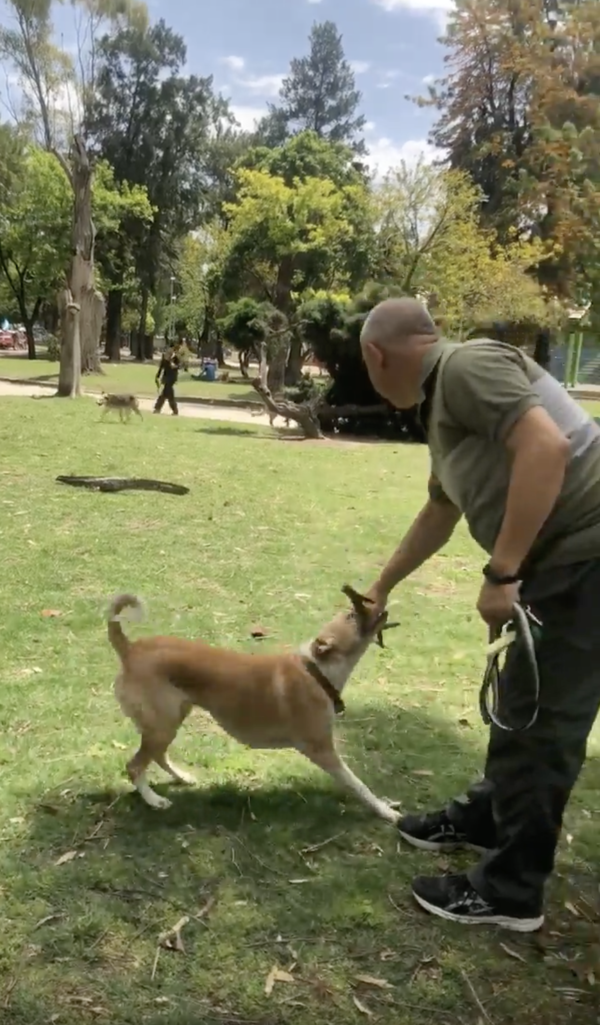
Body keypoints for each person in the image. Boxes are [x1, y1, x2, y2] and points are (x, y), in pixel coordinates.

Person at [360, 297, 600, 933]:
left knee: (545, 728)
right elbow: (440, 511)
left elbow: (545, 451)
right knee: (523, 705)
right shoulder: (445, 405)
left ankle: (512, 890)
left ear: (374, 356)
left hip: (587, 559)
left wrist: (503, 572)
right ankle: (491, 814)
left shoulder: (466, 367)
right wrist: (382, 586)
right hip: (558, 569)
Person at [154, 341, 182, 415]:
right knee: (166, 393)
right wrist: (157, 376)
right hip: (166, 377)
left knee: (168, 392)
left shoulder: (175, 357)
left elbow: (179, 366)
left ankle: (159, 408)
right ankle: (159, 408)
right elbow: (161, 367)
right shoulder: (165, 356)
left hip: (172, 377)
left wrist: (175, 366)